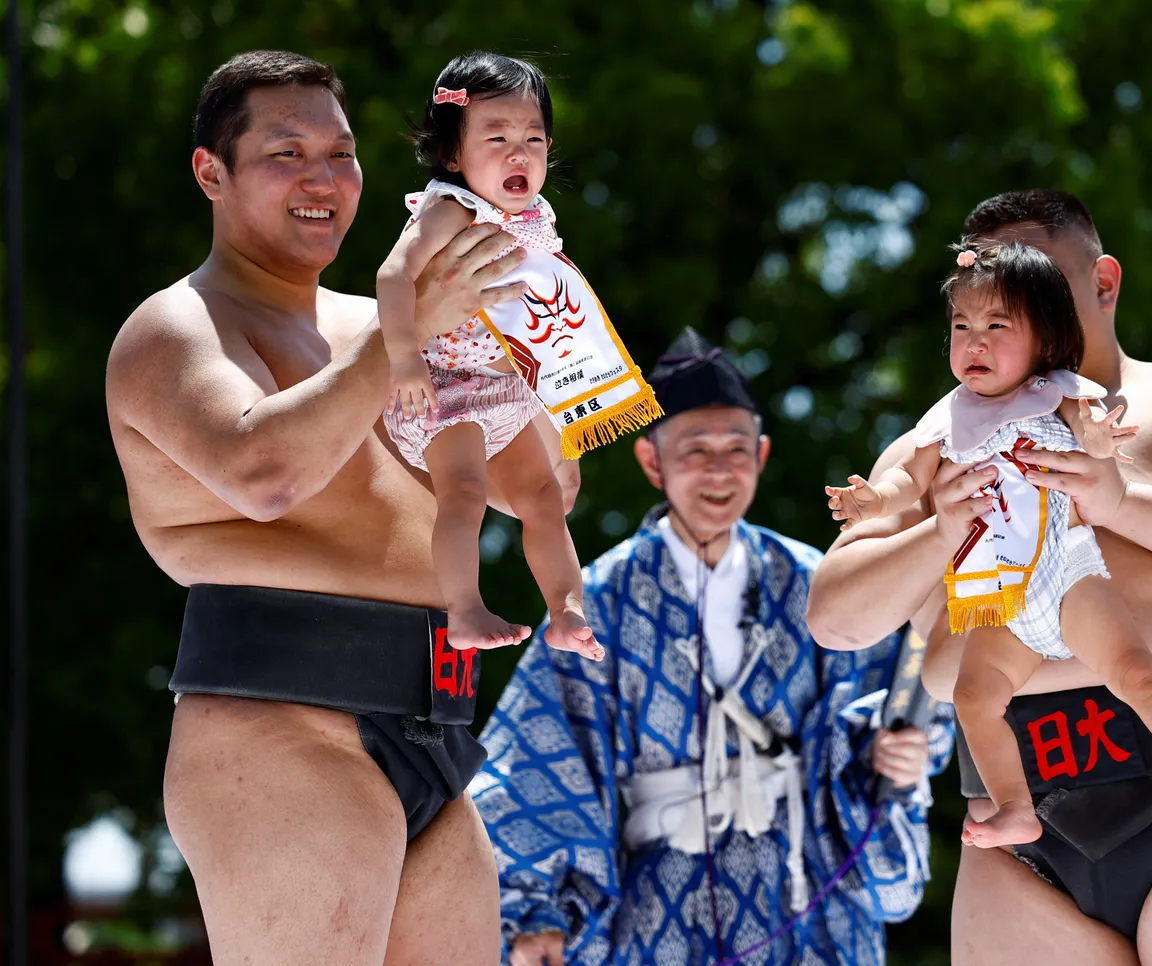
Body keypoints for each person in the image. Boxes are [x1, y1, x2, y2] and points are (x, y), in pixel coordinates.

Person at [807, 190, 1152, 962]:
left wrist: (1119, 501)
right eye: (986, 298)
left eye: (1035, 284)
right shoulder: (939, 442)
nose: (1011, 307)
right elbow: (837, 620)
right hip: (1013, 830)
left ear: (1103, 283)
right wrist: (939, 530)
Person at [105, 50, 553, 965]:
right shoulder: (175, 327)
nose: (324, 179)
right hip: (281, 722)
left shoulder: (389, 321)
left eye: (341, 154)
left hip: (439, 727)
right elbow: (263, 473)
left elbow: (534, 490)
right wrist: (405, 339)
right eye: (287, 153)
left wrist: (527, 336)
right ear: (211, 173)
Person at [472, 328, 954, 966]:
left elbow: (908, 698)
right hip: (658, 904)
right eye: (695, 449)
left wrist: (896, 745)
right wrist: (536, 910)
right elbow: (540, 755)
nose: (720, 469)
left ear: (761, 454)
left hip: (804, 890)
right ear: (652, 462)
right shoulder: (598, 598)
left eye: (736, 448)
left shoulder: (818, 582)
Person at [825, 239, 1152, 852]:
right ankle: (1016, 807)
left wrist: (1098, 438)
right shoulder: (944, 419)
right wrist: (874, 503)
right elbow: (906, 479)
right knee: (973, 698)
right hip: (998, 591)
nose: (976, 342)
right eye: (962, 327)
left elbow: (1094, 436)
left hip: (1065, 570)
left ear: (1044, 340)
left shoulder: (1059, 392)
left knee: (1136, 674)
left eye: (997, 325)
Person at [378, 51, 659, 654]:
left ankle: (566, 609)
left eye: (534, 138)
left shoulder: (536, 216)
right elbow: (392, 276)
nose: (518, 153)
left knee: (544, 497)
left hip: (507, 388)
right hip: (440, 384)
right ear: (453, 154)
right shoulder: (447, 209)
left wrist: (564, 406)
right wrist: (402, 359)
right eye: (497, 136)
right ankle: (464, 607)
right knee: (465, 494)